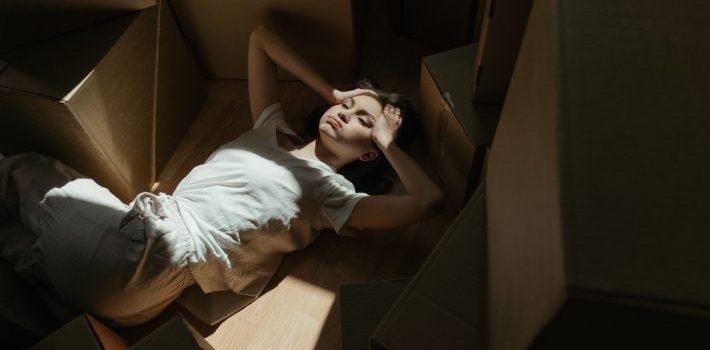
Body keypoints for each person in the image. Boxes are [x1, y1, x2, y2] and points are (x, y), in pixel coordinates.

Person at [0, 25, 443, 327]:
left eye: (363, 121)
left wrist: (387, 140)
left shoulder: (335, 195)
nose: (345, 113)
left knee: (28, 170)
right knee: (16, 241)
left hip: (157, 256)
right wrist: (337, 92)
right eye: (346, 106)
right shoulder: (271, 128)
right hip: (132, 297)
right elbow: (261, 38)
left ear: (368, 153)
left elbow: (428, 202)